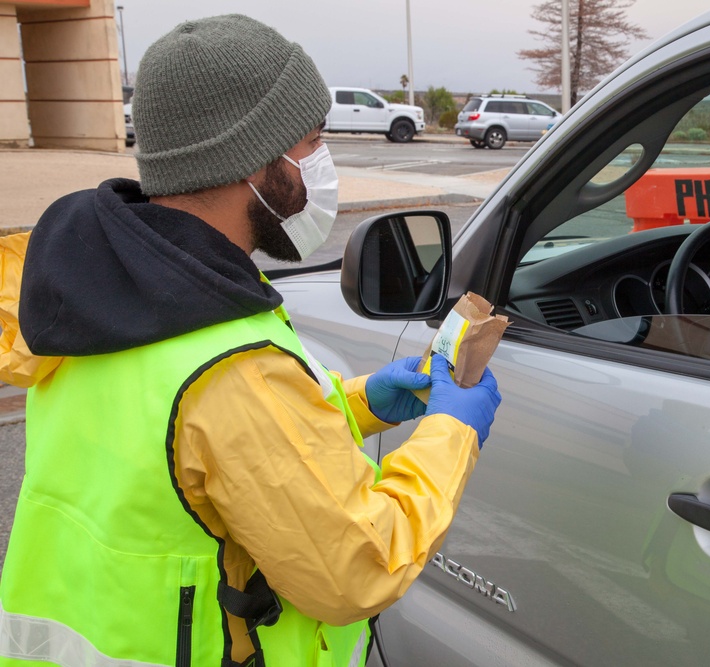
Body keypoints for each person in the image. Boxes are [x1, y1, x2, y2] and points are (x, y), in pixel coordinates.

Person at [0, 14, 501, 667]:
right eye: (312, 142)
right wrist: (450, 433)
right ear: (249, 159)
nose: (321, 166)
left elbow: (201, 453)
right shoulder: (224, 359)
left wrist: (362, 402)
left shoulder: (97, 293)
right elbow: (359, 565)